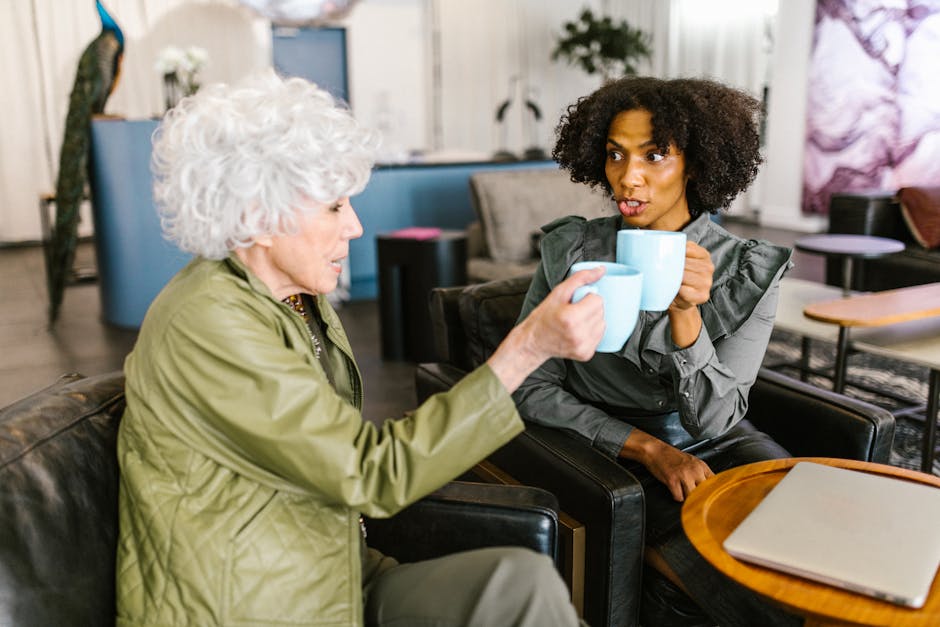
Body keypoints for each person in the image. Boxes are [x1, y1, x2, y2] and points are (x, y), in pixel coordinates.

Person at [115, 71, 604, 626]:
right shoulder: (207, 324)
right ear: (257, 215)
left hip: (334, 569)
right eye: (332, 207)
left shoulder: (295, 298)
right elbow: (372, 473)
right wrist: (528, 348)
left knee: (521, 581)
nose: (354, 225)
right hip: (256, 603)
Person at [512, 76, 800, 626]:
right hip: (606, 448)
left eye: (655, 155)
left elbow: (716, 419)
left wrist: (686, 314)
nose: (628, 176)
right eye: (615, 154)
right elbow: (529, 384)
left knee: (801, 545)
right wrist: (647, 448)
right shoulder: (573, 249)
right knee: (725, 581)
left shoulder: (746, 269)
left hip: (716, 442)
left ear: (697, 163)